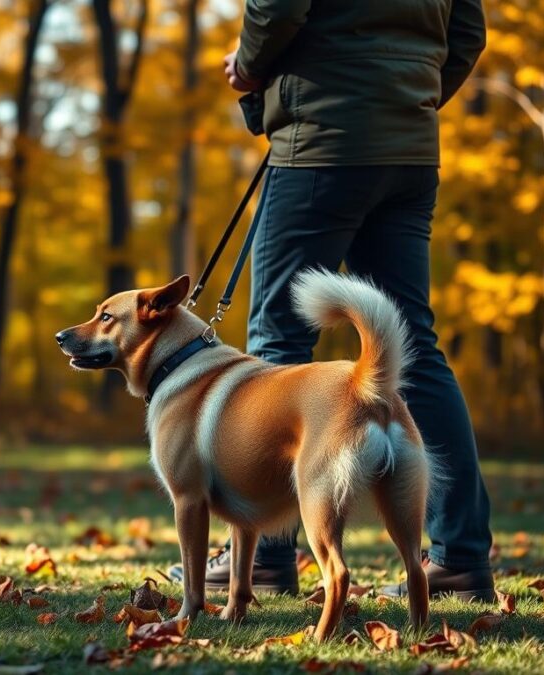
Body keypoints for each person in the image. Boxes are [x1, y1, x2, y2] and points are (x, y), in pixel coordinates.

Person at [167, 0, 495, 601]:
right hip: (410, 147)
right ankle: (461, 560)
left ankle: (264, 556)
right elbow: (468, 32)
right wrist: (406, 97)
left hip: (322, 139)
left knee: (279, 341)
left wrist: (247, 63)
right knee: (411, 348)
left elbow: (277, 6)